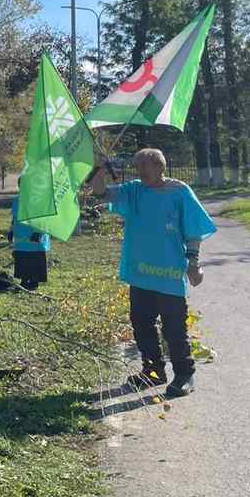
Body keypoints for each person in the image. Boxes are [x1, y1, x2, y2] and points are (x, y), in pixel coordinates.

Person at [90, 148, 217, 397]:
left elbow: (193, 231)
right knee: (142, 325)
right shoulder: (135, 190)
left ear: (160, 166)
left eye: (145, 166)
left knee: (174, 329)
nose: (141, 172)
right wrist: (100, 173)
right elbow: (101, 194)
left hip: (169, 274)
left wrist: (194, 263)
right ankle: (153, 372)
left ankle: (184, 374)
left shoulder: (179, 192)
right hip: (141, 274)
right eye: (138, 167)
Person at [8, 190, 51, 290]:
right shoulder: (17, 200)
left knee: (35, 257)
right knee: (22, 257)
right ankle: (24, 279)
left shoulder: (39, 200)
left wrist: (38, 232)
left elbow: (44, 218)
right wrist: (11, 231)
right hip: (21, 236)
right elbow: (14, 217)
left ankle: (34, 281)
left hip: (35, 236)